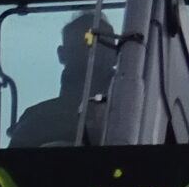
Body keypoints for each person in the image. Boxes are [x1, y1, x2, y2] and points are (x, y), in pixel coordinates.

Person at [10, 9, 117, 148]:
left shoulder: (139, 117)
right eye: (80, 47)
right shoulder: (36, 119)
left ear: (116, 54)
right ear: (62, 54)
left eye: (100, 47)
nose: (89, 54)